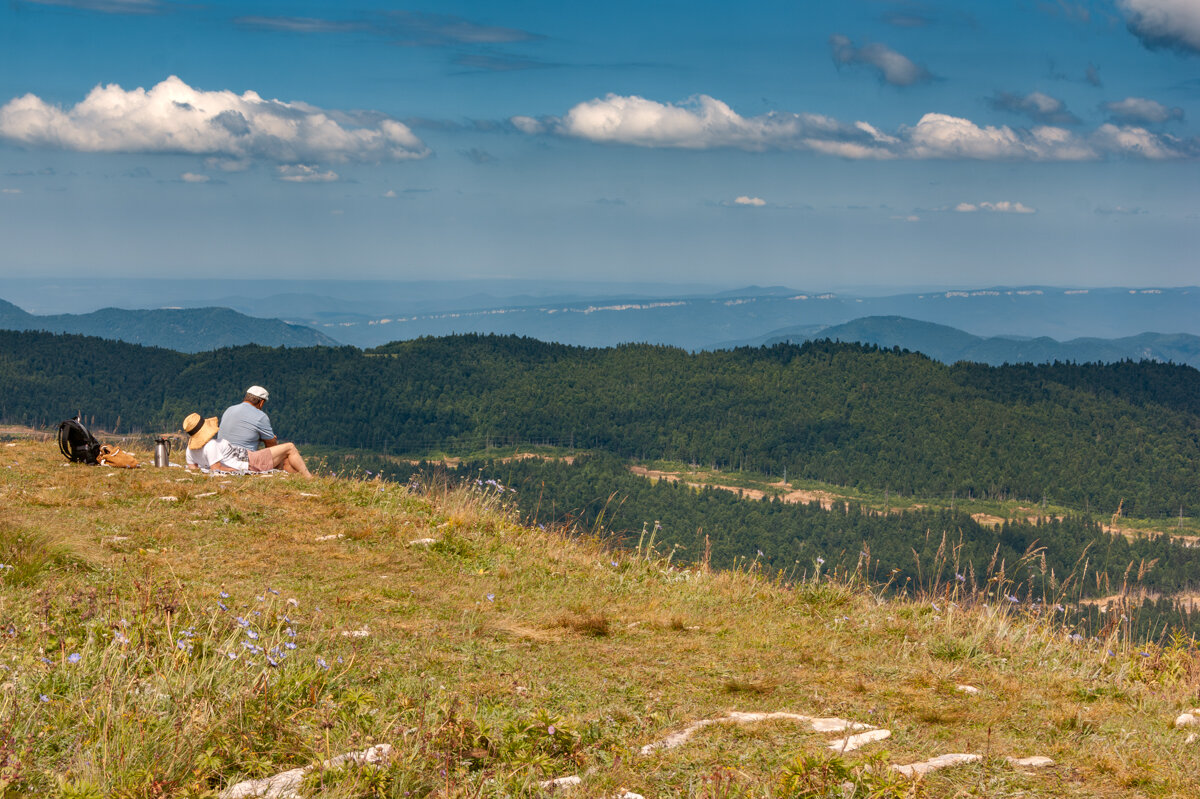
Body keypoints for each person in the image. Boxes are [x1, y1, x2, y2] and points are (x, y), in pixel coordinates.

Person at [181, 412, 312, 477]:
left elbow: (195, 472)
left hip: (250, 459)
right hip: (251, 462)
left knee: (285, 461)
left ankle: (298, 481)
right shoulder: (211, 446)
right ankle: (310, 479)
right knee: (289, 447)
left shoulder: (189, 450)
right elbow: (216, 469)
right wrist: (238, 471)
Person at [220, 385, 277, 450]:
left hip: (221, 455)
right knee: (289, 447)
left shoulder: (229, 409)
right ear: (261, 402)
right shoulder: (261, 416)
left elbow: (239, 435)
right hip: (242, 458)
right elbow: (272, 446)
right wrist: (269, 439)